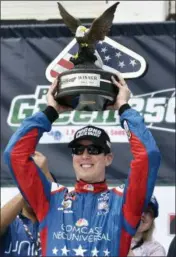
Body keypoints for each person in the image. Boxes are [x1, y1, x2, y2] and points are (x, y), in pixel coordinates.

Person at [4, 72, 161, 257]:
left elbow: (148, 155)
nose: (85, 155)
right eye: (78, 150)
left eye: (94, 150)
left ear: (108, 158)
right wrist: (50, 112)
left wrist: (124, 108)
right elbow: (15, 154)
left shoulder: (124, 202)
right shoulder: (51, 199)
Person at [1, 151, 57, 256]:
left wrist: (44, 173)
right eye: (31, 186)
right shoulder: (10, 222)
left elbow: (61, 201)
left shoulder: (61, 226)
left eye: (41, 189)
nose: (34, 193)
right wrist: (28, 186)